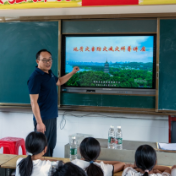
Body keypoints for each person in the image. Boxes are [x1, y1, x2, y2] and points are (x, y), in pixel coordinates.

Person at [27, 49, 79, 156]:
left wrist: (72, 72)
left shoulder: (49, 73)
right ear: (37, 61)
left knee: (50, 146)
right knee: (42, 149)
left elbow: (59, 81)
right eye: (44, 60)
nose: (48, 62)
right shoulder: (35, 77)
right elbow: (33, 102)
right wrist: (39, 123)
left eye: (50, 60)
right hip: (43, 118)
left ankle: (48, 170)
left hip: (52, 116)